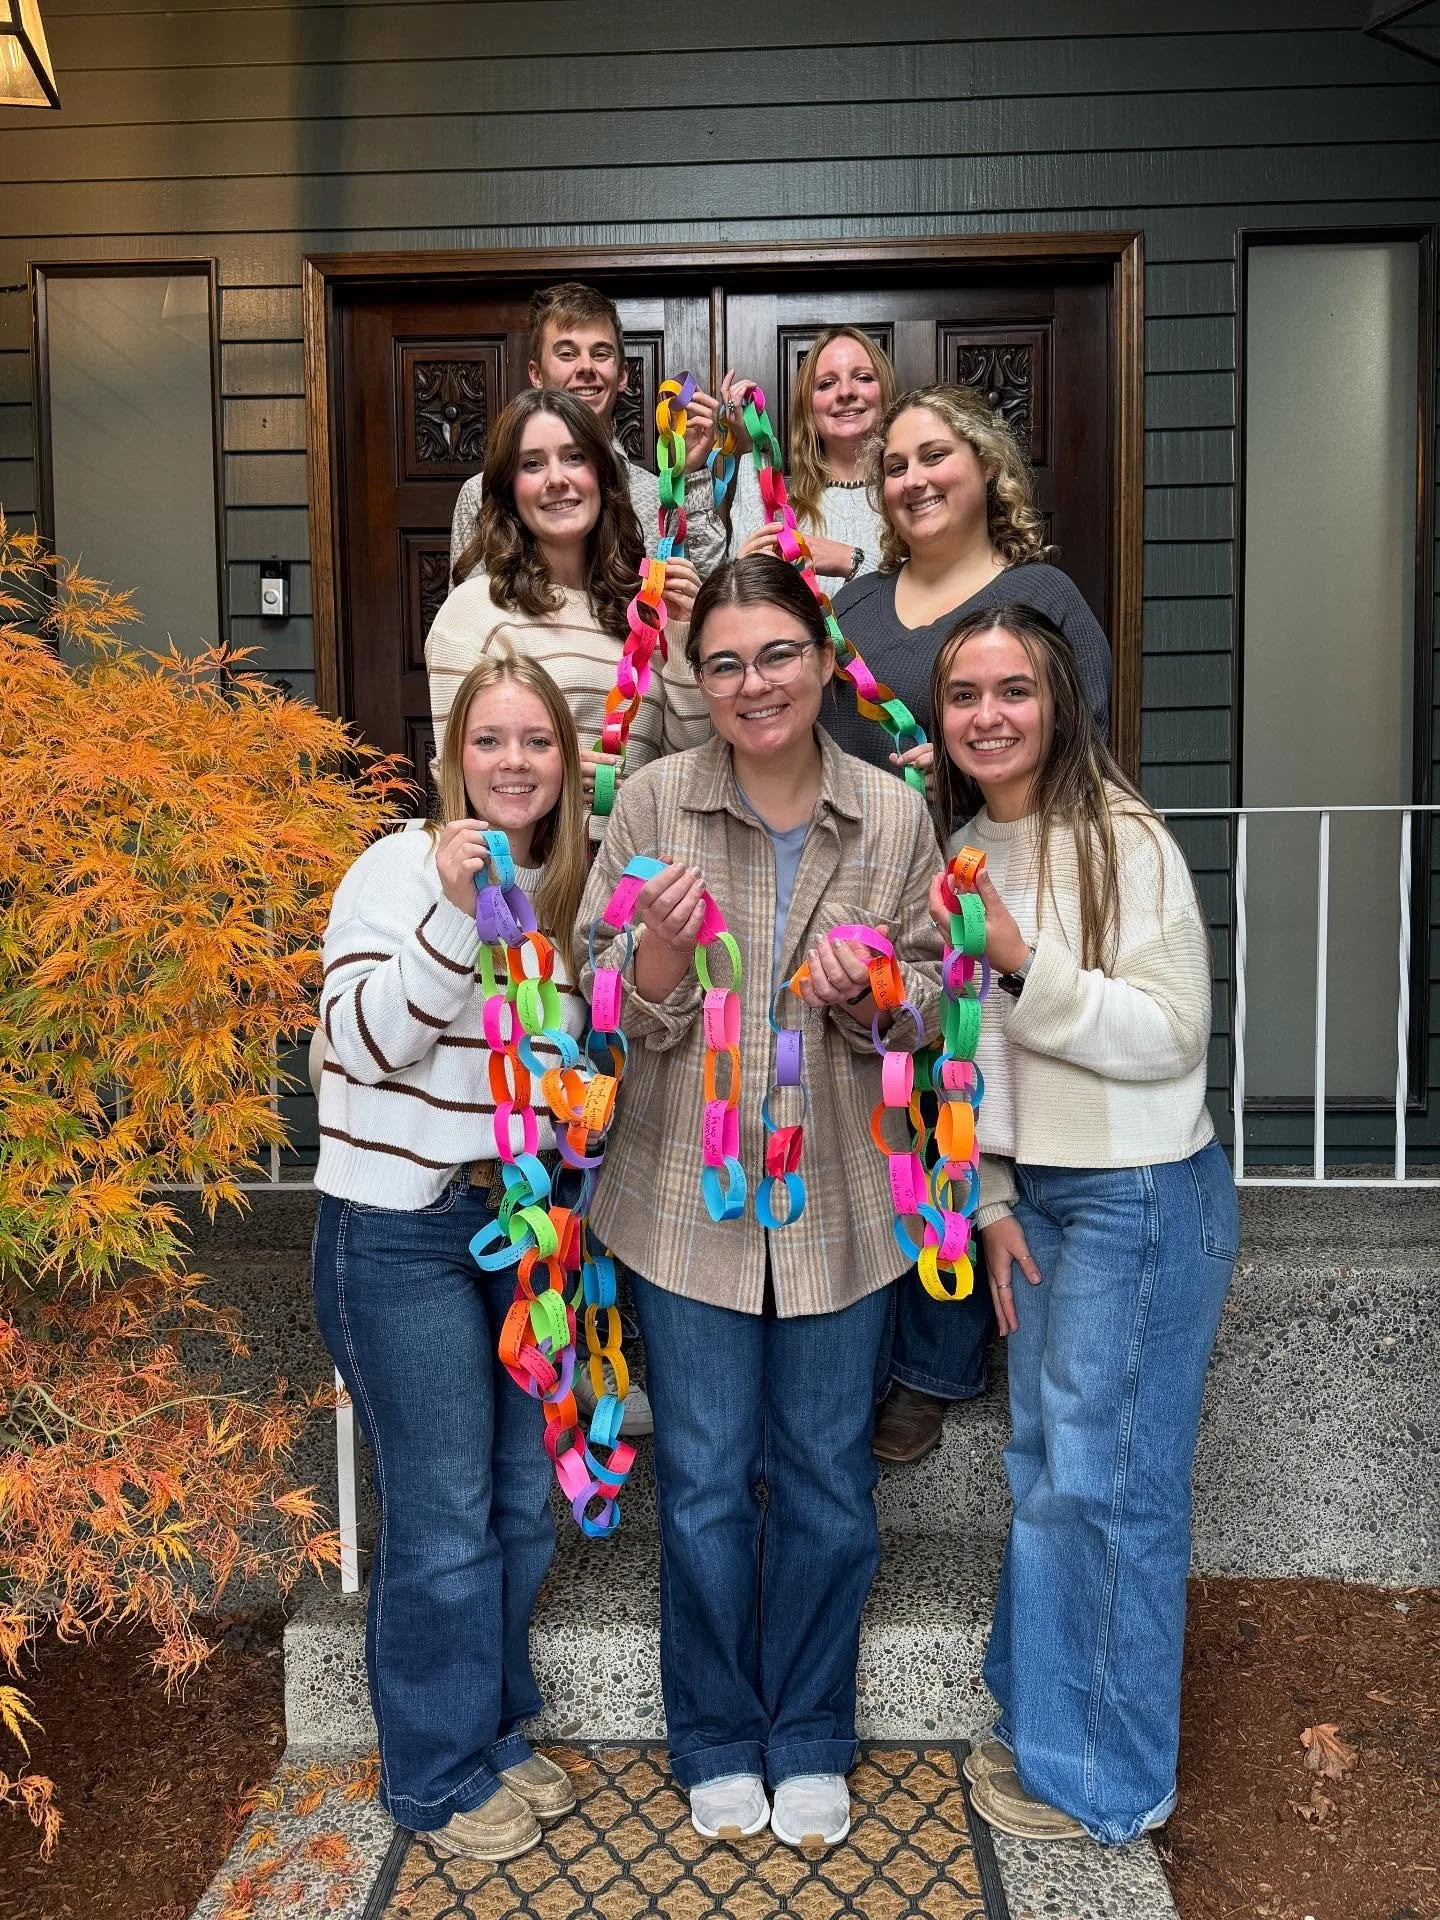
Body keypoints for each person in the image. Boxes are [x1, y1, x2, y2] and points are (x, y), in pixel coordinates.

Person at [578, 554, 944, 1851]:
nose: (752, 684)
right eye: (722, 662)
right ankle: (719, 1738)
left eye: (776, 654)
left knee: (832, 1487)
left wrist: (878, 997)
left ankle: (812, 1736)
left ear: (822, 659)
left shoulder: (892, 818)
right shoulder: (658, 805)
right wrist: (656, 958)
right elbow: (591, 998)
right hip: (687, 1206)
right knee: (707, 1487)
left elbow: (940, 1007)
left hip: (846, 1210)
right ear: (698, 678)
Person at [925, 602, 1233, 1847]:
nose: (987, 717)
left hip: (1138, 1193)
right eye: (963, 697)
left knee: (1105, 1487)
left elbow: (1173, 1035)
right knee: (1046, 1468)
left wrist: (1018, 957)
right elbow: (965, 1059)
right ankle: (1048, 1710)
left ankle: (1105, 1779)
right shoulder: (957, 843)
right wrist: (991, 1199)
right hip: (1038, 1195)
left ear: (1056, 702)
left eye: (1011, 692)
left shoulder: (1124, 839)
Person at [311, 654, 592, 1864]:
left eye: (537, 741)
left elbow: (556, 1076)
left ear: (564, 762)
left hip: (519, 1233)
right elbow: (360, 1044)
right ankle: (433, 1773)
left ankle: (489, 1726)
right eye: (492, 741)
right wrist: (441, 905)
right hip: (401, 1232)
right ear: (454, 754)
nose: (515, 762)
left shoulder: (559, 890)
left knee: (521, 1497)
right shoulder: (395, 870)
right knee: (442, 1513)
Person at [832, 381, 1114, 1465]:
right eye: (894, 464)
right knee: (885, 1120)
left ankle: (936, 1364)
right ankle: (863, 1343)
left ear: (984, 466)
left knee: (962, 1108)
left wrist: (950, 782)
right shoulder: (853, 610)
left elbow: (1073, 733)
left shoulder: (1035, 591)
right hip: (877, 894)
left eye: (933, 455)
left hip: (994, 887)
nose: (911, 479)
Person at [427, 388, 712, 820]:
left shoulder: (644, 614)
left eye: (574, 457)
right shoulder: (472, 615)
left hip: (638, 869)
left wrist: (685, 630)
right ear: (509, 490)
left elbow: (689, 757)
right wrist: (551, 771)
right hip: (533, 876)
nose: (556, 478)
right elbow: (456, 779)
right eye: (532, 464)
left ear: (601, 475)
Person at [449, 280, 726, 585]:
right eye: (567, 354)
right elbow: (464, 621)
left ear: (621, 375)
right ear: (536, 374)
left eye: (601, 353)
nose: (586, 367)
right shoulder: (484, 493)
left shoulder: (659, 495)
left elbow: (705, 603)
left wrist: (691, 473)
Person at [713, 325, 894, 581]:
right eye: (827, 383)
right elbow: (749, 590)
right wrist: (747, 447)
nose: (845, 392)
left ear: (886, 392)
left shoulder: (909, 498)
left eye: (863, 377)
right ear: (808, 408)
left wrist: (851, 560)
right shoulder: (784, 510)